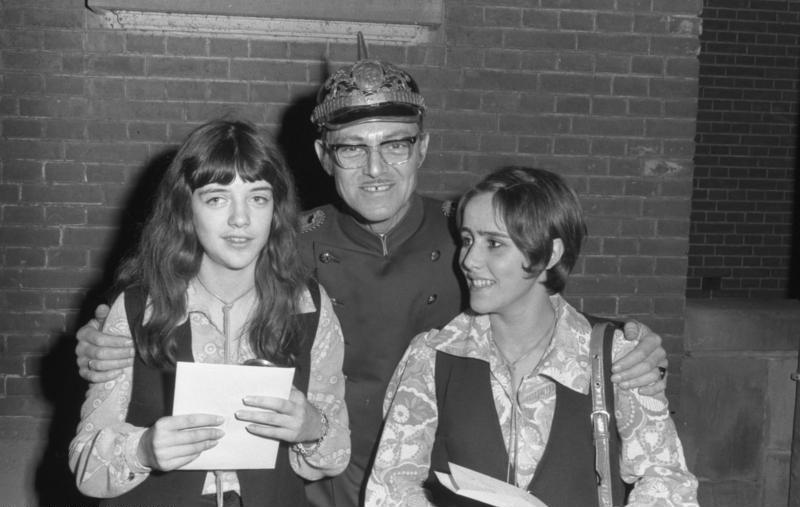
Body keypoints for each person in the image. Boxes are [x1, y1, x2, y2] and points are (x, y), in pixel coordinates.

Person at [73, 37, 669, 507]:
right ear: (323, 157)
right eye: (353, 148)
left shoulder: (467, 240)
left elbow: (540, 305)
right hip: (313, 488)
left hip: (438, 483)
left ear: (423, 149)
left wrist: (626, 344)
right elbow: (174, 303)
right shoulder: (283, 246)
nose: (376, 168)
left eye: (396, 145)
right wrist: (102, 338)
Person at [365, 166, 698, 506]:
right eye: (467, 240)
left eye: (494, 243)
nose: (469, 259)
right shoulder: (433, 356)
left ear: (550, 254)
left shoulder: (618, 355)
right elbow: (392, 486)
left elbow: (666, 479)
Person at [68, 120, 350, 507]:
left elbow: (334, 457)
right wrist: (143, 450)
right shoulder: (137, 308)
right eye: (217, 198)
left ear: (276, 209)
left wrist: (311, 426)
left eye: (258, 198)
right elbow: (86, 464)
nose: (240, 219)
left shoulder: (310, 306)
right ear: (186, 207)